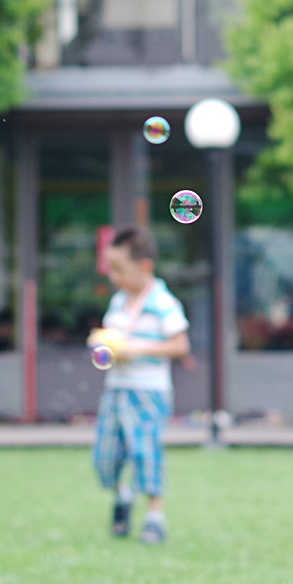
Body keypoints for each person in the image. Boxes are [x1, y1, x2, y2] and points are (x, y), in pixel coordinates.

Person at [87, 226, 190, 545]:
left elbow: (180, 347)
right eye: (110, 269)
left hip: (149, 391)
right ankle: (123, 495)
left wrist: (138, 349)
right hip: (116, 389)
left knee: (146, 453)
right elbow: (109, 339)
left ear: (144, 267)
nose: (113, 277)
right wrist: (98, 342)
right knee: (105, 456)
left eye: (119, 270)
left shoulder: (163, 302)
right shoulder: (118, 302)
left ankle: (154, 518)